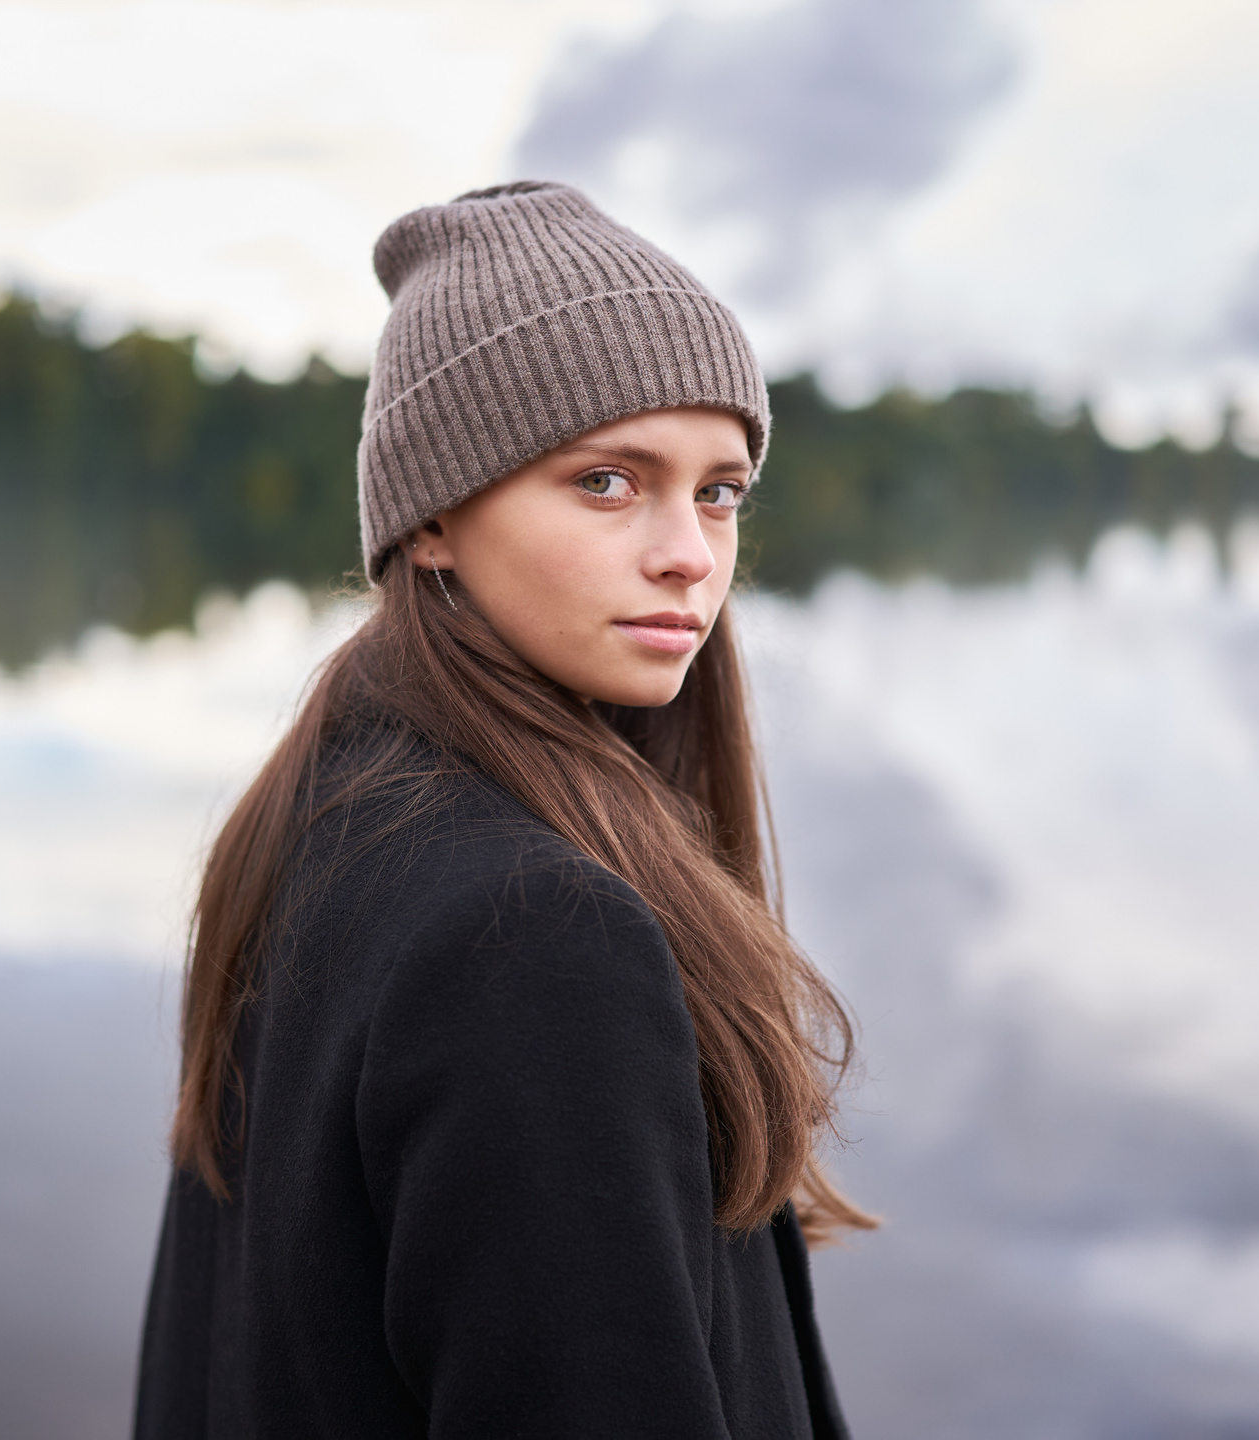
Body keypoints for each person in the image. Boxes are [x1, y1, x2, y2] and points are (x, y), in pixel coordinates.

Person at [134, 180, 873, 1439]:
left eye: (719, 490)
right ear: (431, 518)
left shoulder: (317, 825)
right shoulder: (533, 938)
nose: (689, 550)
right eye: (605, 481)